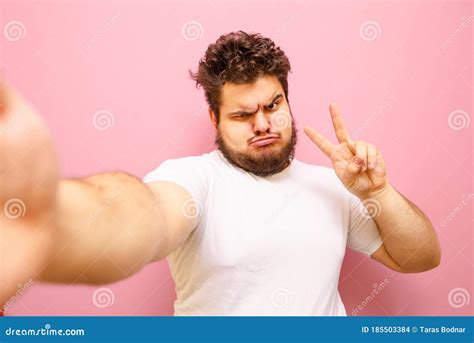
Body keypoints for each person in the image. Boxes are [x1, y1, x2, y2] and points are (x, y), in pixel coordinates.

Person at [0, 31, 441, 316]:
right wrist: (39, 222)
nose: (264, 124)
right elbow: (139, 217)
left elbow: (421, 257)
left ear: (288, 101)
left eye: (273, 106)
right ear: (214, 120)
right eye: (243, 115)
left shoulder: (332, 186)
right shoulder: (194, 181)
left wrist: (379, 192)